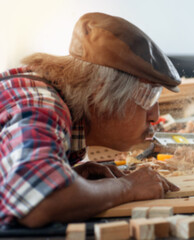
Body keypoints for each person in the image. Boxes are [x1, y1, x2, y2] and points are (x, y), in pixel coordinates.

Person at [0, 12, 181, 228]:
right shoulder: (39, 103)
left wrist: (73, 178)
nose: (154, 116)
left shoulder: (49, 101)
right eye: (148, 97)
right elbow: (37, 203)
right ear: (100, 93)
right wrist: (127, 187)